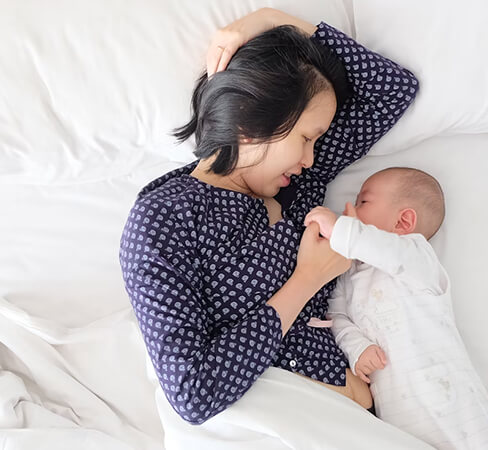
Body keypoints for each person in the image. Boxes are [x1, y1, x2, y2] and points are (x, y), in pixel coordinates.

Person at [119, 7, 419, 425]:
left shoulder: (299, 182)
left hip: (361, 422)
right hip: (283, 423)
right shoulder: (163, 219)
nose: (311, 157)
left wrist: (271, 20)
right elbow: (193, 392)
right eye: (306, 138)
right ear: (252, 119)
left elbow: (392, 90)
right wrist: (306, 279)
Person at [305, 168, 488, 450]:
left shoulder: (416, 256)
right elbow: (337, 316)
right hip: (399, 419)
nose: (349, 208)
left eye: (363, 202)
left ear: (403, 221)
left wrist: (341, 229)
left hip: (453, 402)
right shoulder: (349, 272)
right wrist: (357, 348)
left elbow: (381, 249)